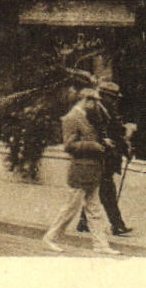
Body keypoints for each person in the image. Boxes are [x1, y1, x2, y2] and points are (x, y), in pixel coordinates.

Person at [42, 87, 119, 254]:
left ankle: (101, 245)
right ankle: (50, 238)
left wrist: (103, 142)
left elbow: (90, 137)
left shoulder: (88, 116)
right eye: (94, 101)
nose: (97, 104)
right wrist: (93, 146)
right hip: (80, 170)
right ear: (85, 100)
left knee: (94, 210)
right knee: (71, 208)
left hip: (92, 170)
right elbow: (69, 146)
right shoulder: (71, 118)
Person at [79, 81, 133, 236]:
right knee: (107, 191)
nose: (115, 101)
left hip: (107, 159)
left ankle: (84, 222)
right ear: (103, 96)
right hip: (100, 158)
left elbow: (117, 133)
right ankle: (117, 225)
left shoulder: (108, 110)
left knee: (98, 191)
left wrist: (126, 148)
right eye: (113, 98)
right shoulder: (95, 112)